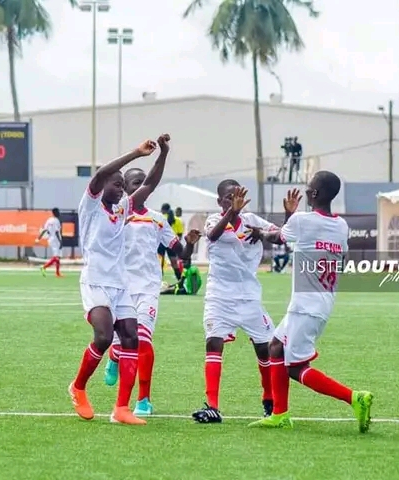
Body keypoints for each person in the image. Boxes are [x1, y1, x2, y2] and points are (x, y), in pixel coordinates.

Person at [248, 171, 373, 433]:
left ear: (314, 194)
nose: (305, 191)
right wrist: (290, 219)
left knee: (296, 368)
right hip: (320, 303)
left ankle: (354, 397)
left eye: (308, 188)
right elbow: (336, 257)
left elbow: (278, 237)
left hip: (306, 306)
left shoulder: (303, 220)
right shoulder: (341, 226)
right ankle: (279, 414)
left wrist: (259, 231)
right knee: (275, 348)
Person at [69, 134, 169, 426]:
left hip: (120, 285)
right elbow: (101, 174)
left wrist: (163, 153)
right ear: (104, 188)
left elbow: (149, 185)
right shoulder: (90, 206)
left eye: (123, 186)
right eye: (118, 184)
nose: (122, 189)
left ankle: (121, 409)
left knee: (130, 338)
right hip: (95, 282)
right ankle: (77, 387)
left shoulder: (122, 208)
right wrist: (137, 153)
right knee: (102, 337)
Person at [102, 157, 201, 417]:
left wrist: (189, 244)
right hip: (118, 288)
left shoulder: (157, 220)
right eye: (129, 185)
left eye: (140, 183)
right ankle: (114, 355)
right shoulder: (116, 216)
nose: (135, 188)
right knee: (121, 344)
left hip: (147, 288)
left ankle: (143, 400)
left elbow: (178, 252)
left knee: (143, 342)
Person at [192, 182, 281, 423]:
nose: (234, 200)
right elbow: (213, 235)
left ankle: (269, 400)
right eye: (228, 198)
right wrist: (233, 212)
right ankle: (212, 406)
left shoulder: (253, 220)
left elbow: (281, 238)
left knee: (264, 349)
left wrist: (266, 231)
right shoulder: (213, 220)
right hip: (219, 296)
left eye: (238, 196)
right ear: (220, 201)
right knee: (213, 343)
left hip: (249, 297)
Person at [158, 204, 183, 280]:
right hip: (172, 242)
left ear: (163, 210)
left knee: (160, 263)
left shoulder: (161, 218)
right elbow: (180, 234)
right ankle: (180, 280)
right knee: (174, 263)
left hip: (161, 243)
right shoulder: (178, 220)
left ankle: (159, 281)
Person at [39, 208, 63, 277]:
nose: (59, 213)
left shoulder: (49, 220)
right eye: (58, 212)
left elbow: (44, 230)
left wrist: (39, 237)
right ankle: (44, 267)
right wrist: (60, 241)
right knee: (56, 257)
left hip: (50, 239)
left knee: (58, 256)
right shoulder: (56, 221)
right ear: (56, 213)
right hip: (55, 240)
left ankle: (57, 273)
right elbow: (56, 232)